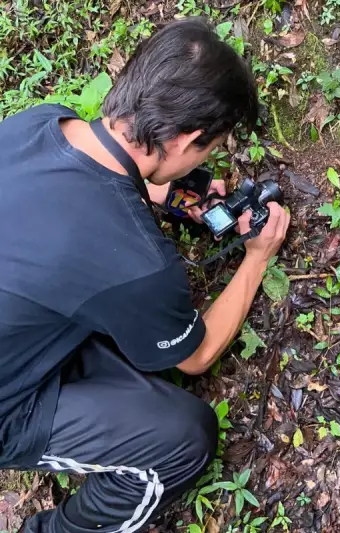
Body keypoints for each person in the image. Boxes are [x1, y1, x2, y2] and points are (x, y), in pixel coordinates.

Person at [0, 18, 290, 533]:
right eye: (210, 148)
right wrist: (256, 259)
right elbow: (196, 355)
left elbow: (72, 200)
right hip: (8, 402)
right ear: (187, 139)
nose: (208, 159)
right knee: (184, 439)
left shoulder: (36, 123)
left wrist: (154, 190)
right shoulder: (139, 263)